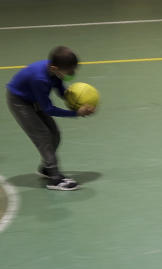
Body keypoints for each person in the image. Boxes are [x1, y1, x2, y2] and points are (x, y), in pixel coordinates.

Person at [6, 46, 95, 191]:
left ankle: (47, 168)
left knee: (55, 134)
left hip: (34, 98)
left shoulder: (55, 72)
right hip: (20, 102)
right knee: (43, 136)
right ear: (54, 68)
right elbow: (48, 109)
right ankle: (54, 179)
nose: (72, 74)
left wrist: (78, 103)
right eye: (70, 71)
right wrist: (76, 113)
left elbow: (61, 91)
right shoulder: (40, 79)